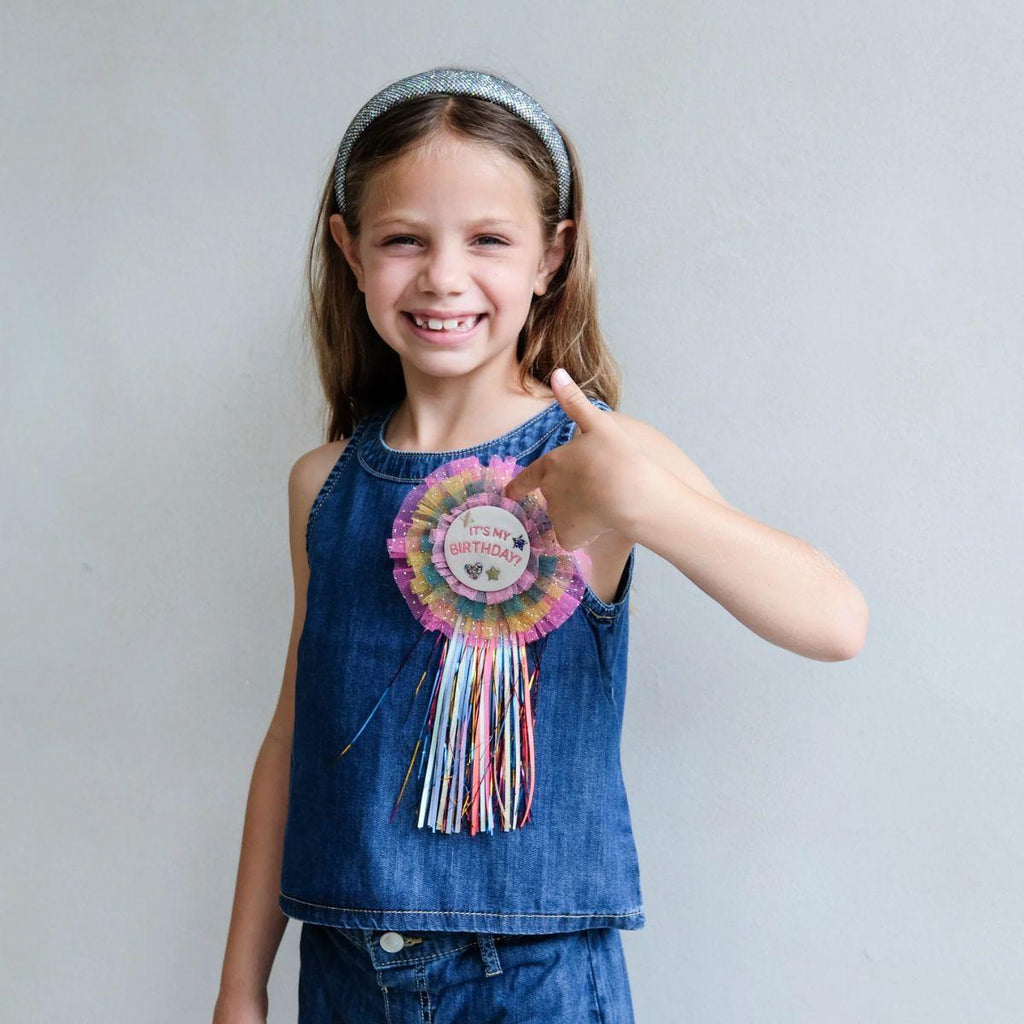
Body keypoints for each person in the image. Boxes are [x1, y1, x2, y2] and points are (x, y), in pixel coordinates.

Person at [213, 66, 869, 1024]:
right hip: (342, 971)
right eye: (404, 240)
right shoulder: (323, 486)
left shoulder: (603, 459)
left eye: (487, 239)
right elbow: (291, 739)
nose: (443, 276)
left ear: (550, 256)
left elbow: (836, 621)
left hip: (536, 982)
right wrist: (240, 987)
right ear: (350, 253)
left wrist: (650, 505)